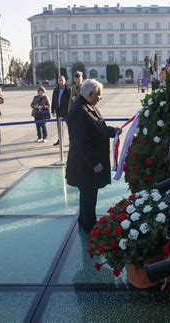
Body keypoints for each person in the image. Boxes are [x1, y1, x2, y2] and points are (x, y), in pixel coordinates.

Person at [66, 79, 120, 231]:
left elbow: (97, 128)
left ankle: (88, 222)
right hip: (85, 166)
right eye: (98, 95)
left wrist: (112, 131)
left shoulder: (88, 106)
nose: (100, 98)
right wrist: (95, 163)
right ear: (90, 94)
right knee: (88, 197)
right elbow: (82, 142)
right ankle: (88, 226)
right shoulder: (79, 111)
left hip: (88, 165)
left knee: (90, 196)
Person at [51, 75, 70, 146]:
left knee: (70, 127)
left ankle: (71, 141)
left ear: (65, 81)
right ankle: (60, 140)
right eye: (59, 80)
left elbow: (70, 101)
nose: (61, 82)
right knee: (59, 127)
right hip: (58, 111)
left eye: (62, 80)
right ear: (58, 81)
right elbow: (53, 100)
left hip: (66, 111)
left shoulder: (68, 90)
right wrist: (52, 110)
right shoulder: (56, 90)